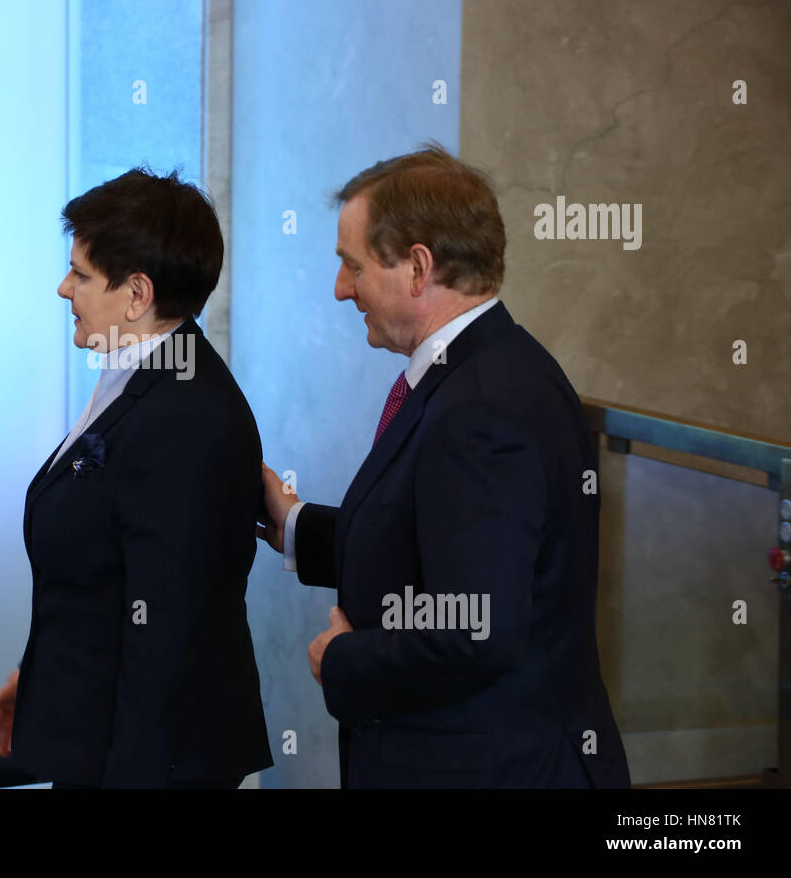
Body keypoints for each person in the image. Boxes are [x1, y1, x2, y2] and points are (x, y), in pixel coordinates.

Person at [258, 144, 630, 788]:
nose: (341, 289)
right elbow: (436, 541)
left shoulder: (479, 409)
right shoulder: (493, 368)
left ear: (417, 268)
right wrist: (294, 524)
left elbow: (474, 629)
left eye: (351, 266)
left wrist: (346, 660)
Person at [0, 167, 272, 788]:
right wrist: (44, 685)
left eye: (81, 274)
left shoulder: (183, 415)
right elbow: (106, 583)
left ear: (136, 295)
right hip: (99, 738)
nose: (64, 289)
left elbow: (168, 634)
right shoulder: (144, 379)